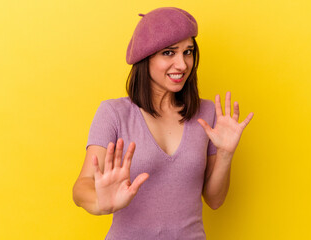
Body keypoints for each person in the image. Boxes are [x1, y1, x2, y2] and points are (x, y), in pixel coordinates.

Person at [73, 7, 254, 240]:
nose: (182, 64)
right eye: (169, 53)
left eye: (188, 52)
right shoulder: (113, 113)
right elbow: (81, 186)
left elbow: (215, 200)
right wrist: (100, 202)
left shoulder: (208, 114)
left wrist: (226, 154)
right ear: (145, 57)